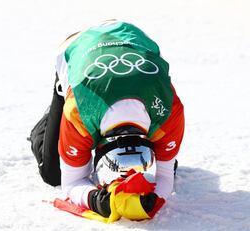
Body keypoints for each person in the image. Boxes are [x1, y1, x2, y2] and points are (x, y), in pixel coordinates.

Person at [29, 20, 185, 221]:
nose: (130, 174)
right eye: (118, 166)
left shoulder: (170, 111)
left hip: (131, 39)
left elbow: (165, 175)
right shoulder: (78, 114)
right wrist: (96, 200)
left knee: (169, 163)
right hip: (76, 49)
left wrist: (155, 196)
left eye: (139, 162)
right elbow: (71, 183)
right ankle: (52, 116)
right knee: (52, 173)